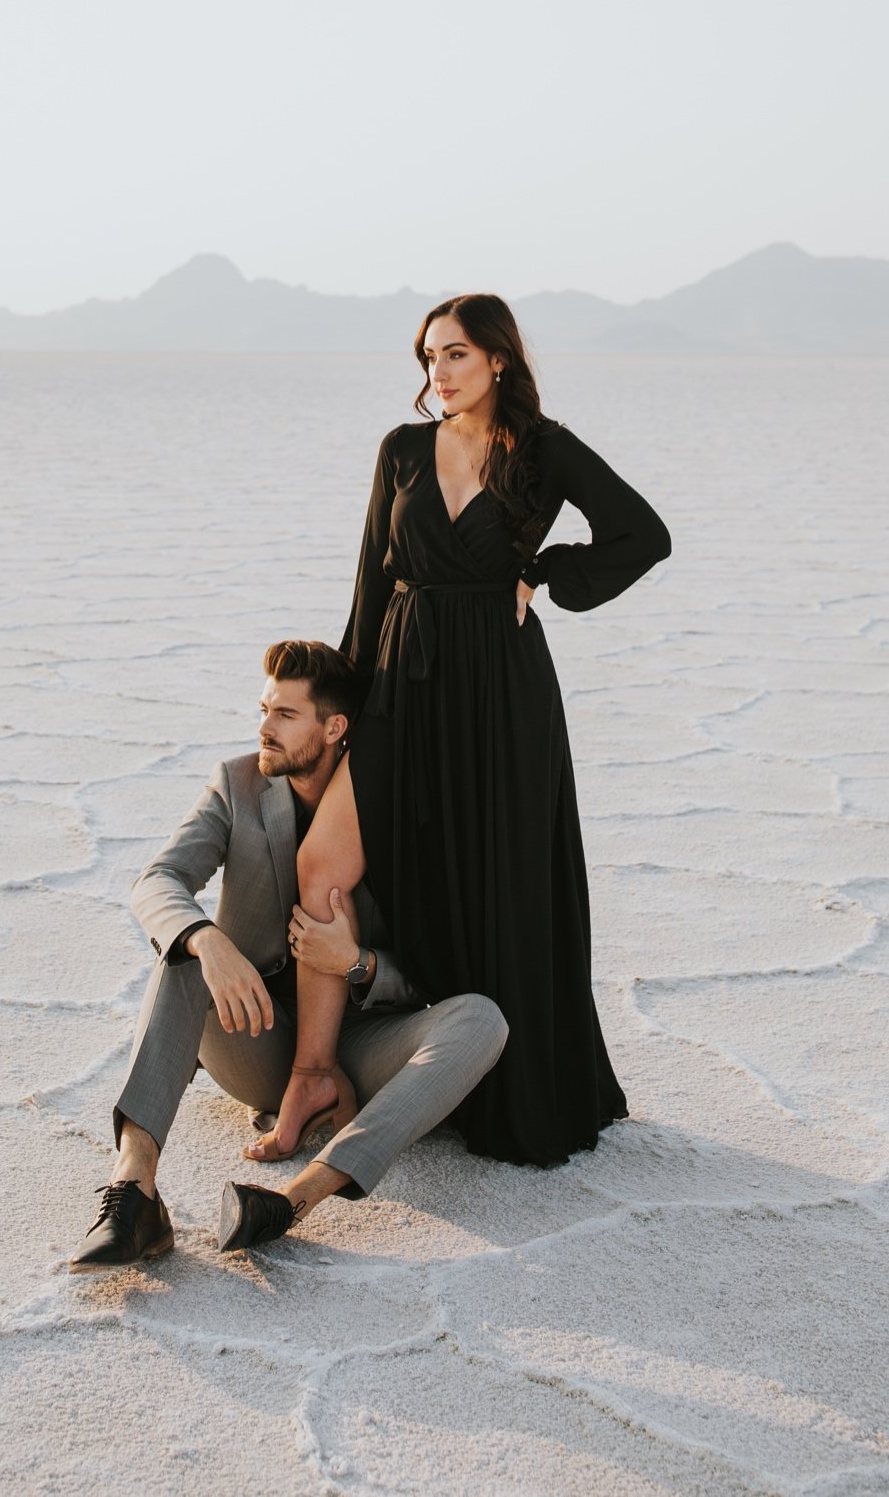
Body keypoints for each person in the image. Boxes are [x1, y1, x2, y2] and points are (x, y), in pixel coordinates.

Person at [248, 295, 671, 1171]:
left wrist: (548, 571)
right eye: (428, 358)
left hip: (502, 700)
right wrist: (339, 730)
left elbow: (644, 534)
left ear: (500, 361)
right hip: (402, 687)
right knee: (324, 863)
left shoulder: (544, 450)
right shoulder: (401, 450)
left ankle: (495, 1085)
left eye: (454, 356)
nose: (436, 374)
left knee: (502, 882)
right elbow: (370, 590)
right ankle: (313, 1073)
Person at [70, 639, 507, 1265]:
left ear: (334, 728)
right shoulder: (237, 784)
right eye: (263, 709)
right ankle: (133, 1192)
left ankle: (293, 1200)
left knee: (482, 1019)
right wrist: (209, 940)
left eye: (285, 715)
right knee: (182, 952)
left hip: (366, 1040)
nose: (264, 729)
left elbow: (438, 970)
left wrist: (356, 962)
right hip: (257, 1028)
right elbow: (157, 881)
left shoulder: (395, 815)